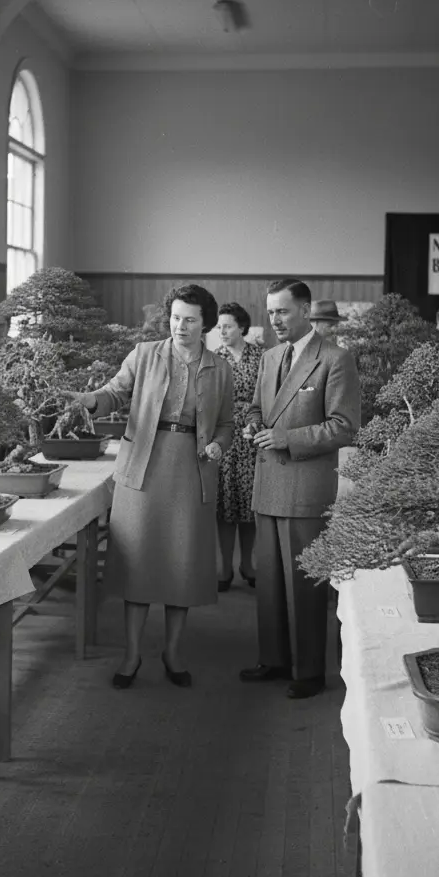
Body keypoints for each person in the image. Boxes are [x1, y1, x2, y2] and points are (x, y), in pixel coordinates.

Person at [69, 284, 234, 689]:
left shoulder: (220, 368)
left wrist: (219, 444)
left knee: (182, 567)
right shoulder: (144, 354)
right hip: (142, 467)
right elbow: (113, 393)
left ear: (206, 324)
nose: (180, 326)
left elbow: (227, 423)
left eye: (190, 320)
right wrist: (90, 400)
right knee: (138, 566)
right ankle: (131, 654)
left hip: (192, 471)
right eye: (175, 318)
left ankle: (173, 652)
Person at [240, 279, 361, 700]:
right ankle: (274, 658)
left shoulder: (335, 359)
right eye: (271, 311)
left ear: (306, 311)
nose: (275, 319)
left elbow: (344, 427)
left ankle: (309, 671)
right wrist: (253, 425)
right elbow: (258, 408)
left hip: (306, 486)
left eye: (283, 311)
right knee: (270, 582)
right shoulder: (270, 356)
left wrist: (286, 438)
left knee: (305, 586)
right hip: (268, 483)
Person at [214, 302, 264, 591]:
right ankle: (224, 567)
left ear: (242, 327)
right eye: (219, 326)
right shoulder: (213, 358)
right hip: (222, 436)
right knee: (224, 505)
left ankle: (247, 563)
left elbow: (269, 397)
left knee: (248, 505)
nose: (222, 331)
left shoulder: (261, 357)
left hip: (252, 436)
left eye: (228, 326)